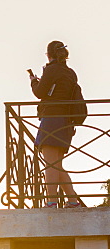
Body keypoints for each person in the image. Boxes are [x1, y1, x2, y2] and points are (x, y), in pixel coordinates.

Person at [30, 40, 83, 208]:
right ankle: (73, 201)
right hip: (66, 121)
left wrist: (34, 81)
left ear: (49, 55)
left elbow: (39, 93)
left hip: (52, 119)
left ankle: (51, 201)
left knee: (50, 164)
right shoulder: (71, 73)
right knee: (57, 164)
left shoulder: (51, 70)